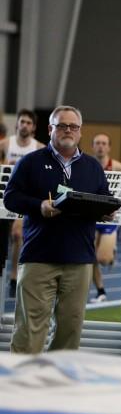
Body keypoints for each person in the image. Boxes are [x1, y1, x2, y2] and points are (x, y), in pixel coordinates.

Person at [3, 106, 118, 353]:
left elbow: (103, 198)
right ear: (50, 129)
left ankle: (58, 387)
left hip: (79, 260)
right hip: (39, 257)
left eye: (73, 127)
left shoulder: (92, 167)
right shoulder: (30, 162)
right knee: (29, 330)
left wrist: (107, 211)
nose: (68, 130)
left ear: (80, 132)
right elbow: (10, 198)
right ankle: (21, 387)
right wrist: (39, 206)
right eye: (62, 125)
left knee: (70, 330)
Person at [2, 109, 45, 298]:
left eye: (29, 122)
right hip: (5, 195)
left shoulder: (38, 147)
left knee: (18, 234)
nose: (25, 125)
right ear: (17, 124)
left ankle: (13, 277)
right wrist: (5, 165)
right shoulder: (5, 144)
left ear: (34, 127)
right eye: (22, 122)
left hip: (25, 198)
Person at [89, 133, 121, 303]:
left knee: (103, 259)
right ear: (92, 146)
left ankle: (111, 252)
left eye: (104, 143)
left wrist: (120, 205)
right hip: (91, 215)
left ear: (109, 147)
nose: (100, 146)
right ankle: (100, 291)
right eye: (97, 143)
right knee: (89, 256)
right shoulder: (87, 165)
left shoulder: (118, 167)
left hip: (110, 217)